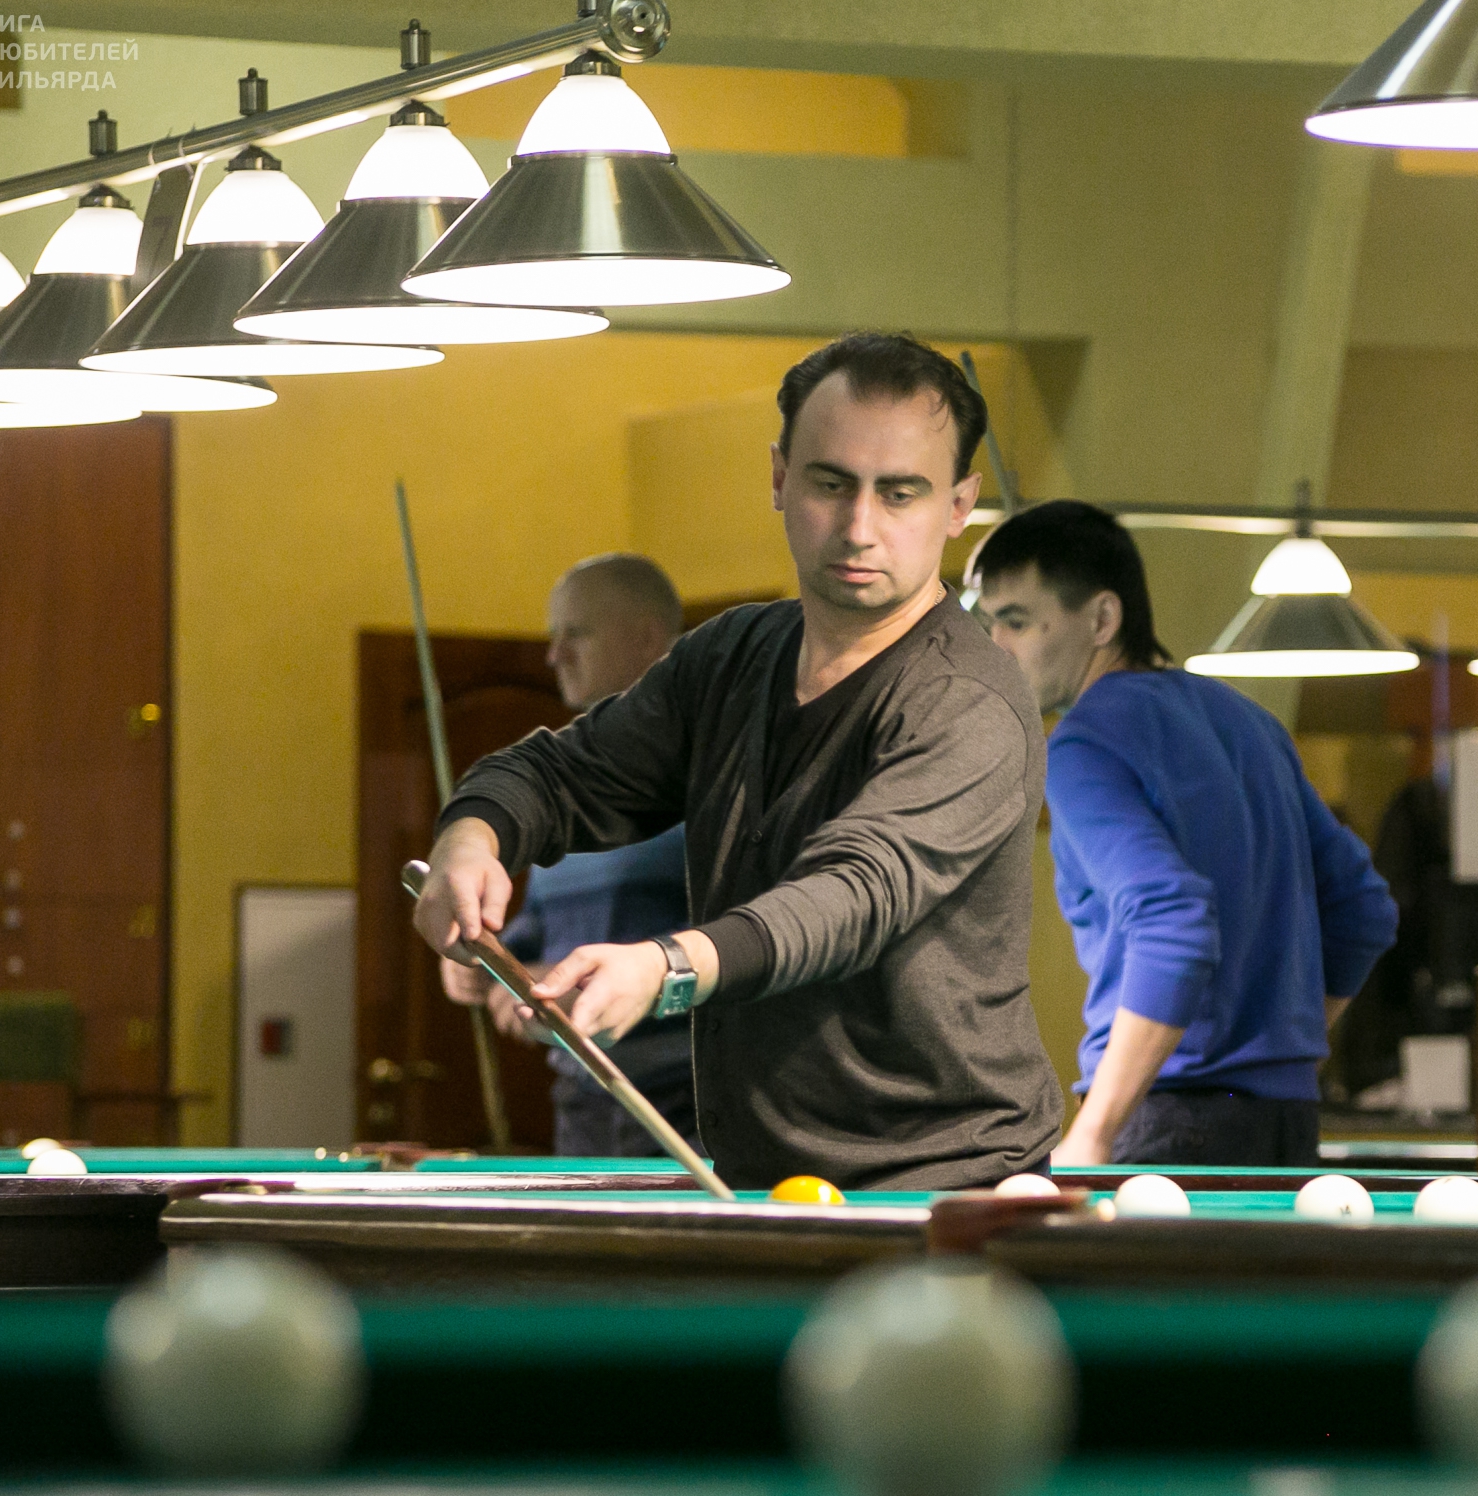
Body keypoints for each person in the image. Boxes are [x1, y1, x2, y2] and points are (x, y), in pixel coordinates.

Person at [413, 333, 1063, 1191]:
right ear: (780, 478)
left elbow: (852, 893)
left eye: (900, 492)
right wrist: (471, 835)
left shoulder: (969, 700)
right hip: (765, 1176)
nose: (859, 527)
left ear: (958, 506)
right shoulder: (728, 658)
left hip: (943, 1183)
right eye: (831, 483)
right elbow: (563, 774)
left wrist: (664, 967)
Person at [968, 499, 1398, 1167]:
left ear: (1102, 619)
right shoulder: (1249, 722)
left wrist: (1094, 1133)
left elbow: (1172, 920)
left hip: (1170, 1119)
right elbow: (1363, 908)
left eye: (1017, 621)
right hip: (1287, 1121)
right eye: (989, 621)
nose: (997, 645)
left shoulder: (1082, 745)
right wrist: (1278, 1050)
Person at [439, 553, 695, 1157]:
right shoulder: (570, 797)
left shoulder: (709, 775)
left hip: (685, 1100)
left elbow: (747, 942)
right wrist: (485, 959)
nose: (553, 656)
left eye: (575, 634)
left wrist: (570, 979)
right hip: (582, 1099)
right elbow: (536, 939)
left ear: (646, 637)